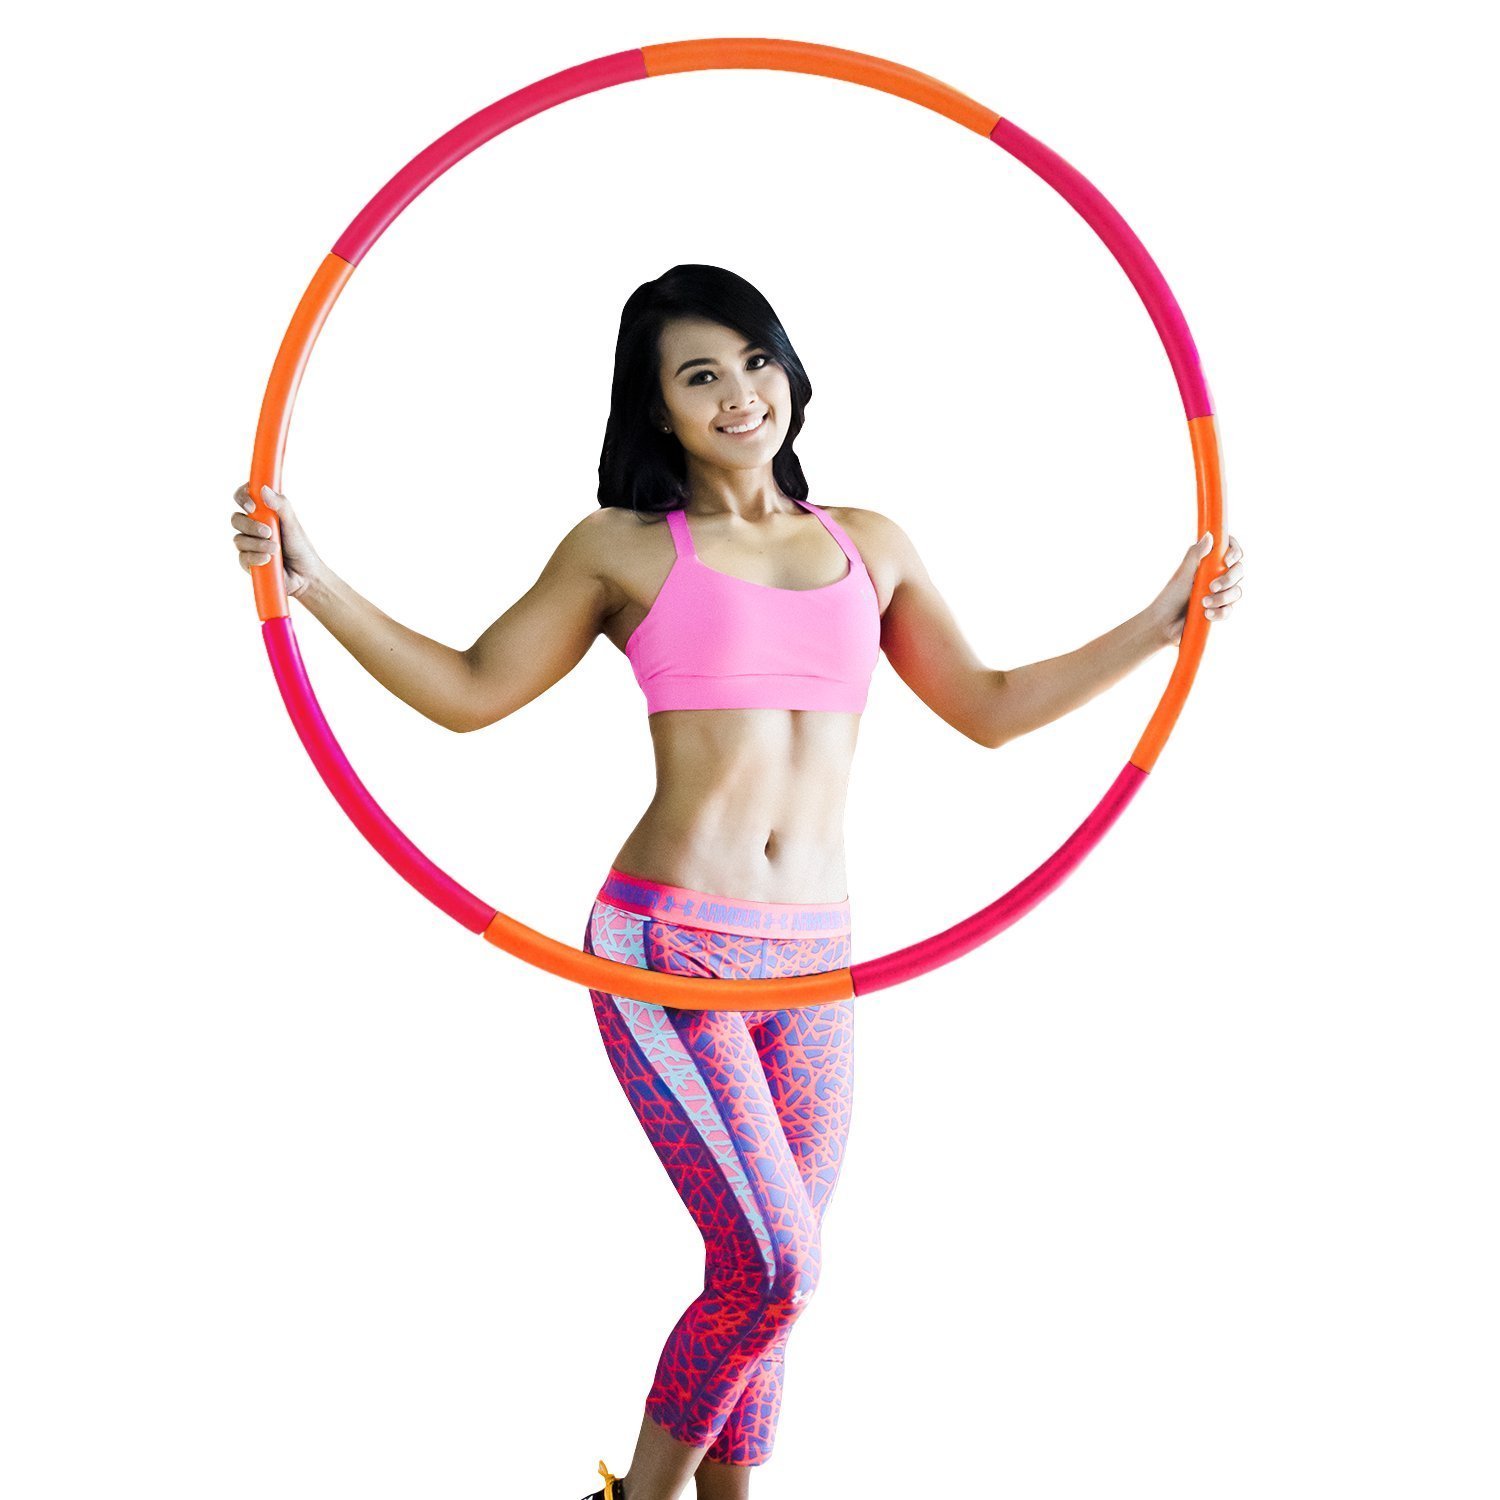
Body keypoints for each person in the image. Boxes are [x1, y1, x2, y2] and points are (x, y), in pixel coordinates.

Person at [230, 264, 1246, 1500]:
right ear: (656, 408)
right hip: (669, 949)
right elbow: (469, 692)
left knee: (770, 1279)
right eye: (700, 376)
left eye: (756, 361)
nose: (739, 394)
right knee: (777, 1269)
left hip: (816, 960)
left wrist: (1159, 623)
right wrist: (312, 580)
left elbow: (987, 708)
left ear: (790, 373)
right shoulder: (621, 550)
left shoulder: (869, 543)